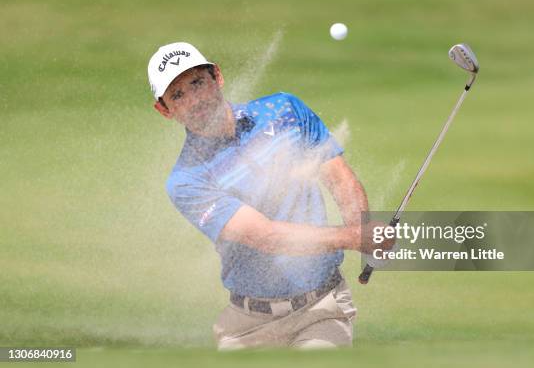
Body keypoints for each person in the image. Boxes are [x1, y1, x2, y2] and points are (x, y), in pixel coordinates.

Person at [147, 41, 393, 350]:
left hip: (322, 310)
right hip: (246, 326)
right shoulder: (186, 180)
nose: (195, 100)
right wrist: (355, 237)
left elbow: (339, 178)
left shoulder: (284, 110)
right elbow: (267, 236)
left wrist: (365, 233)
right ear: (165, 110)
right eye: (178, 95)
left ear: (217, 77)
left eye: (197, 82)